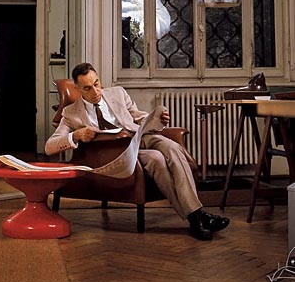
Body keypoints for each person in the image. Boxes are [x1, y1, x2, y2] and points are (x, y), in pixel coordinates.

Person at [45, 62, 230, 241]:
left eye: (97, 84)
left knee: (172, 146)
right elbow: (50, 146)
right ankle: (197, 217)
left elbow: (138, 116)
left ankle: (196, 217)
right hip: (116, 152)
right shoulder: (71, 113)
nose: (95, 92)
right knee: (157, 158)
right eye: (87, 88)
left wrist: (156, 120)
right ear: (78, 89)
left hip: (139, 137)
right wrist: (76, 135)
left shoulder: (118, 93)